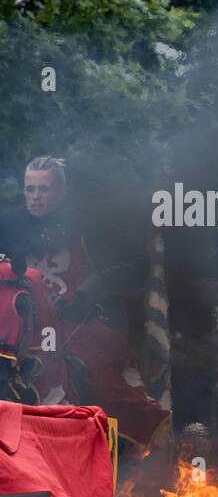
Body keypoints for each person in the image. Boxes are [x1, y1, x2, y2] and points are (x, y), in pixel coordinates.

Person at [0, 156, 167, 444]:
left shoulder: (87, 224)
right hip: (21, 323)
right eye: (30, 189)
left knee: (107, 383)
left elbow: (126, 267)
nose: (35, 197)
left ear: (62, 192)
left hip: (78, 319)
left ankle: (144, 450)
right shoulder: (8, 225)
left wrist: (89, 292)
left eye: (44, 189)